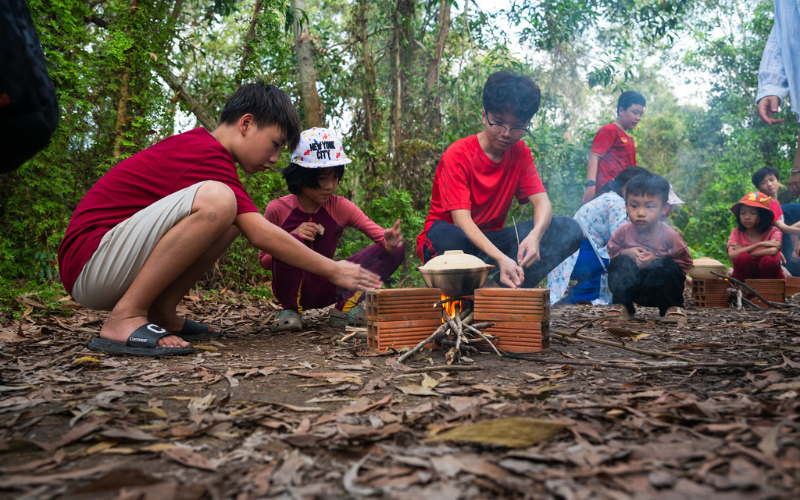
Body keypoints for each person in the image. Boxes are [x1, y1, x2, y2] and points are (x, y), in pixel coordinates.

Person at [57, 83, 382, 356]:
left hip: (105, 263)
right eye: (274, 145)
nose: (274, 158)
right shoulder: (204, 153)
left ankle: (162, 313)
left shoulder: (209, 154)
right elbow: (261, 235)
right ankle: (125, 317)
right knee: (220, 200)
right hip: (91, 262)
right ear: (246, 124)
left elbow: (250, 226)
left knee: (231, 220)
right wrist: (334, 269)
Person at [415, 71, 583, 288]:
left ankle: (497, 290)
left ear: (527, 123)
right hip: (448, 245)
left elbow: (543, 202)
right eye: (499, 123)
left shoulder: (520, 153)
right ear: (484, 116)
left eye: (517, 126)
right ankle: (463, 293)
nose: (506, 133)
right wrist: (502, 258)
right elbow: (461, 221)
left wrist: (535, 236)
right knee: (452, 237)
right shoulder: (458, 154)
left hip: (489, 242)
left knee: (569, 229)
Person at [259, 127, 404, 332]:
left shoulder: (340, 206)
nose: (330, 186)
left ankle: (345, 308)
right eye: (322, 179)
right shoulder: (278, 209)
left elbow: (379, 236)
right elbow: (265, 262)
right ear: (301, 176)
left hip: (329, 285)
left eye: (335, 177)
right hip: (289, 289)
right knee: (290, 242)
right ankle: (291, 311)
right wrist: (290, 238)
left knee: (397, 250)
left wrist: (390, 242)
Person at [549, 167, 685, 305]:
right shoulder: (617, 203)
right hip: (575, 255)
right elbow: (624, 242)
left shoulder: (613, 198)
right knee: (618, 260)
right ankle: (579, 298)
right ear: (628, 186)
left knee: (618, 258)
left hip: (571, 255)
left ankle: (579, 295)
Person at [606, 173, 692, 322]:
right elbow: (612, 251)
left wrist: (657, 260)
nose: (641, 213)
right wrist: (627, 252)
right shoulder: (623, 231)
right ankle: (623, 305)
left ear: (664, 208)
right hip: (633, 288)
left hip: (662, 291)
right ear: (626, 206)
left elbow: (685, 263)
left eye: (650, 206)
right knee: (619, 261)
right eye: (634, 206)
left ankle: (672, 307)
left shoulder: (670, 236)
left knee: (669, 265)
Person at [581, 91, 646, 204]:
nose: (638, 118)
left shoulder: (628, 138)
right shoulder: (610, 130)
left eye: (640, 114)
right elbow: (594, 157)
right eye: (635, 113)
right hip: (606, 192)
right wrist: (590, 187)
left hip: (622, 193)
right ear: (621, 111)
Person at [727, 191, 784, 282]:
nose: (747, 217)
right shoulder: (736, 232)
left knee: (769, 260)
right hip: (743, 280)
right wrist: (760, 244)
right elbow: (731, 255)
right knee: (742, 258)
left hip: (769, 279)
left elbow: (773, 250)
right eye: (743, 213)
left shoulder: (773, 231)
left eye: (753, 213)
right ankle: (742, 289)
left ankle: (769, 289)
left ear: (763, 215)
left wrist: (744, 252)